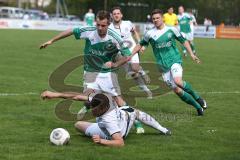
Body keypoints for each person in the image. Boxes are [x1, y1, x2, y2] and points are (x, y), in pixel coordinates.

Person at [39, 10, 144, 133]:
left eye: (103, 25)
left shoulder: (114, 36)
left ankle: (136, 121)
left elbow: (127, 56)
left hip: (106, 73)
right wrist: (51, 40)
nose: (100, 28)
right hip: (90, 72)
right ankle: (105, 119)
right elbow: (71, 31)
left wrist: (115, 64)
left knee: (118, 99)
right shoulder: (89, 31)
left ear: (108, 24)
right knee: (92, 99)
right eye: (98, 24)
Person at [126, 9, 207, 116]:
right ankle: (197, 107)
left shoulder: (172, 30)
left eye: (157, 18)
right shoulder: (149, 33)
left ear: (162, 18)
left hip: (175, 61)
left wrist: (192, 54)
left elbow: (184, 41)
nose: (155, 20)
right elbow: (140, 44)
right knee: (177, 90)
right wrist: (131, 55)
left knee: (178, 81)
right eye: (154, 18)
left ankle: (198, 98)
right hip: (163, 66)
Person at [41, 90, 171, 147]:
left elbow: (120, 143)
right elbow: (77, 97)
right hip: (117, 118)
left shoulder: (108, 121)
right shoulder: (102, 100)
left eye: (94, 109)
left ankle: (163, 129)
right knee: (78, 125)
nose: (92, 110)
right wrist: (54, 95)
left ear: (102, 109)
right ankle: (162, 129)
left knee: (137, 113)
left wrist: (102, 142)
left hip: (117, 131)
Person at [109, 7, 152, 99]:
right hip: (121, 54)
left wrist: (140, 44)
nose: (116, 15)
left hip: (132, 49)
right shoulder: (109, 28)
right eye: (114, 14)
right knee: (133, 75)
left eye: (118, 13)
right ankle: (147, 91)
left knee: (134, 68)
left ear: (121, 15)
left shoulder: (127, 23)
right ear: (112, 16)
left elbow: (135, 32)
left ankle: (141, 71)